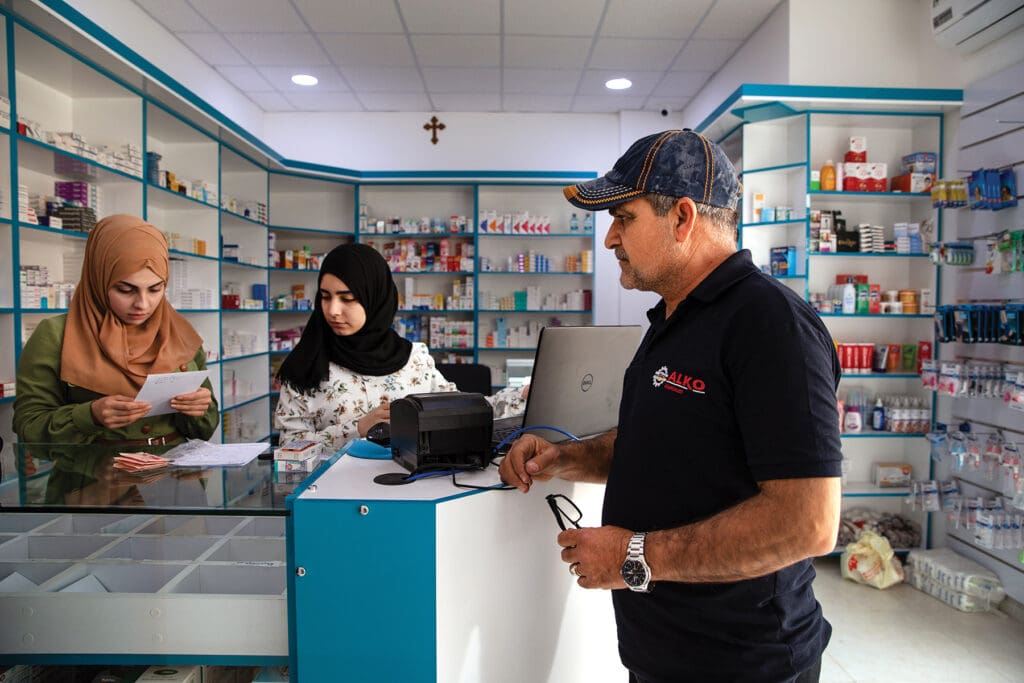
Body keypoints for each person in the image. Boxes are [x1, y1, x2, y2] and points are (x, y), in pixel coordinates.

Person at [499, 130, 843, 683]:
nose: (609, 238)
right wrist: (564, 458)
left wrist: (634, 556)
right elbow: (660, 444)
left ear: (682, 218)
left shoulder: (770, 326)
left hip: (744, 664)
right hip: (664, 652)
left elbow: (808, 523)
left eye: (624, 218)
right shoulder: (673, 320)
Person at [275, 243, 526, 453]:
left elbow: (465, 413)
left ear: (376, 297)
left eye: (348, 298)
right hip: (329, 499)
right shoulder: (306, 365)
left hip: (410, 491)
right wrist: (357, 429)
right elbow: (288, 450)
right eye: (325, 296)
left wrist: (519, 396)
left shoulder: (415, 360)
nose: (333, 310)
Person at [14, 214, 219, 446]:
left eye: (155, 289)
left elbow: (206, 430)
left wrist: (200, 408)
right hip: (93, 477)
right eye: (125, 290)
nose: (142, 304)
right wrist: (89, 415)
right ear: (98, 280)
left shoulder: (179, 332)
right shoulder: (55, 335)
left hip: (174, 472)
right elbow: (28, 426)